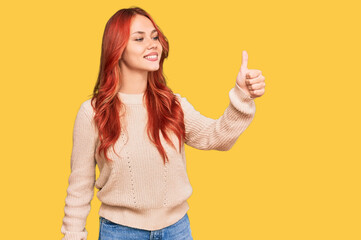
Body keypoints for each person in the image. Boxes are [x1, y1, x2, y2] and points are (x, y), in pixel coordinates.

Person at [60, 6, 265, 240]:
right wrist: (73, 236)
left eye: (155, 36)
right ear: (117, 48)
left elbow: (216, 138)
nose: (153, 44)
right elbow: (79, 186)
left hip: (177, 230)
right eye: (139, 38)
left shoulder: (173, 104)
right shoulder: (93, 113)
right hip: (120, 233)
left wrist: (242, 95)